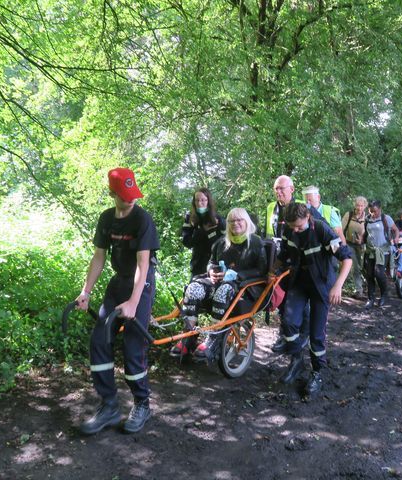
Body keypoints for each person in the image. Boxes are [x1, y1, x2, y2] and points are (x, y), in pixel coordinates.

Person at [75, 167, 160, 435]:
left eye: (132, 193)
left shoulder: (142, 219)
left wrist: (134, 301)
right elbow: (99, 256)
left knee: (133, 346)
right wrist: (86, 291)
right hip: (118, 281)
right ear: (112, 193)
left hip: (141, 283)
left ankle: (142, 404)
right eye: (124, 195)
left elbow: (142, 263)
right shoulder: (106, 219)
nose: (130, 199)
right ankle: (109, 405)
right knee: (99, 339)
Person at [272, 203, 352, 395]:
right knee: (289, 322)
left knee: (317, 334)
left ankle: (318, 372)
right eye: (292, 227)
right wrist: (272, 272)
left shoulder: (322, 230)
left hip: (322, 285)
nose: (296, 230)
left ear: (308, 216)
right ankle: (296, 359)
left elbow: (347, 258)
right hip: (299, 282)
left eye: (299, 226)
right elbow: (283, 255)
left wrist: (337, 286)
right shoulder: (288, 230)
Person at [170, 208, 267, 358]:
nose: (236, 223)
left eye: (239, 220)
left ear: (246, 222)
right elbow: (211, 262)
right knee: (193, 288)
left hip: (243, 287)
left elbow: (261, 270)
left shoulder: (256, 242)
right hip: (217, 282)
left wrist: (237, 275)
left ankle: (213, 339)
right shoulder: (221, 242)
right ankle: (188, 337)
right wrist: (211, 271)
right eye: (232, 221)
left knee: (223, 291)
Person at [265, 175, 309, 354]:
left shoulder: (301, 207)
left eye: (282, 188)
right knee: (281, 299)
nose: (279, 192)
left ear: (292, 189)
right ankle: (284, 334)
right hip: (278, 258)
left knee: (300, 298)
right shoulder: (270, 208)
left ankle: (304, 334)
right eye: (276, 189)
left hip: (298, 261)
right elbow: (267, 235)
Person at [362, 200, 400, 309]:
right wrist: (361, 239)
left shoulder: (386, 218)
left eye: (375, 211)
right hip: (370, 250)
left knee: (378, 273)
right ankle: (371, 299)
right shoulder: (367, 219)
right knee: (369, 274)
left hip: (383, 250)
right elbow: (366, 232)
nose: (373, 214)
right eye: (371, 211)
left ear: (380, 208)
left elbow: (395, 230)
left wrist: (396, 238)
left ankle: (384, 295)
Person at [181, 188, 226, 277]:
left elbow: (223, 244)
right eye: (197, 200)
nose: (199, 203)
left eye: (203, 200)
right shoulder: (190, 219)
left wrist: (210, 232)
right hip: (197, 264)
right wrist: (202, 232)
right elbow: (186, 242)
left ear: (208, 201)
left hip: (214, 264)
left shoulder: (218, 219)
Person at [342, 196, 368, 297]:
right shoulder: (348, 215)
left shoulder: (367, 217)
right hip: (349, 244)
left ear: (365, 206)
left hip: (363, 245)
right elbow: (340, 228)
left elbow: (370, 232)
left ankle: (367, 286)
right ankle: (359, 290)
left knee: (363, 267)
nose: (359, 208)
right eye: (358, 205)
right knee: (355, 266)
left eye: (362, 206)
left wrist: (362, 239)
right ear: (355, 205)